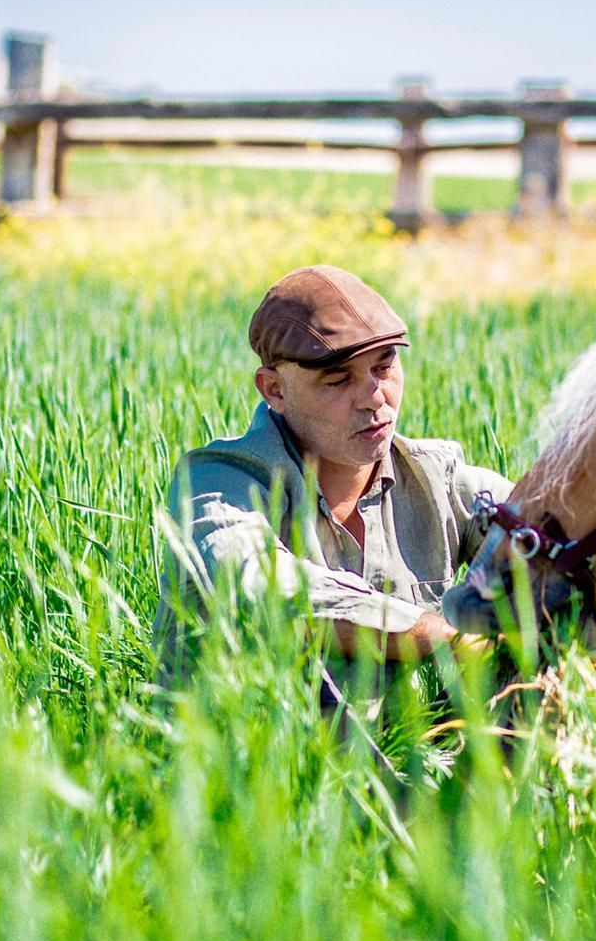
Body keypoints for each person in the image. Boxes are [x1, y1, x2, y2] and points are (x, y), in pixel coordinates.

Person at [152, 265, 512, 687]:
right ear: (274, 390)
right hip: (249, 747)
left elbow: (553, 537)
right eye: (339, 380)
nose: (375, 398)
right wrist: (439, 636)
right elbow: (262, 586)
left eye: (383, 367)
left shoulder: (437, 478)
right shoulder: (220, 484)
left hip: (418, 751)